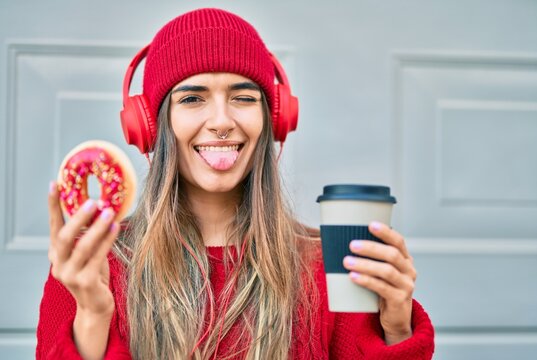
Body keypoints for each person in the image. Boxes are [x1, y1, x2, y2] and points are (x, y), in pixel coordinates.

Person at [36, 8, 435, 360]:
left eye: (243, 97)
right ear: (151, 126)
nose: (222, 121)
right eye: (192, 99)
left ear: (273, 120)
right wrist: (92, 316)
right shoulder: (93, 265)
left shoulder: (326, 266)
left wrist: (397, 328)